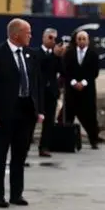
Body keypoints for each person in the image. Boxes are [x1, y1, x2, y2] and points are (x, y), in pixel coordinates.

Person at [0, 18, 45, 208]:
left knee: (20, 155)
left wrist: (39, 110)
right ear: (16, 34)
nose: (31, 36)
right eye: (28, 32)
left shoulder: (30, 55)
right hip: (3, 113)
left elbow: (37, 84)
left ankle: (17, 194)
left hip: (25, 113)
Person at [62, 29, 101, 149]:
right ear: (76, 40)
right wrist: (73, 82)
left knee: (90, 116)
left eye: (84, 39)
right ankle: (66, 140)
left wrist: (83, 83)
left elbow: (94, 72)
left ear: (88, 40)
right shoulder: (69, 53)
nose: (81, 41)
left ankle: (93, 140)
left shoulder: (93, 54)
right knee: (68, 116)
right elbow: (65, 70)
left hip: (87, 90)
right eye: (79, 39)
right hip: (71, 90)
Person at [31, 27, 64, 157]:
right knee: (32, 120)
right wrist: (53, 56)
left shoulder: (56, 56)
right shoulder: (36, 53)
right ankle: (25, 146)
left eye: (55, 39)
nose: (52, 41)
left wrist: (58, 57)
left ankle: (44, 146)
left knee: (49, 121)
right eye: (50, 38)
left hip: (51, 93)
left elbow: (62, 71)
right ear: (44, 38)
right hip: (38, 93)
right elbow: (41, 67)